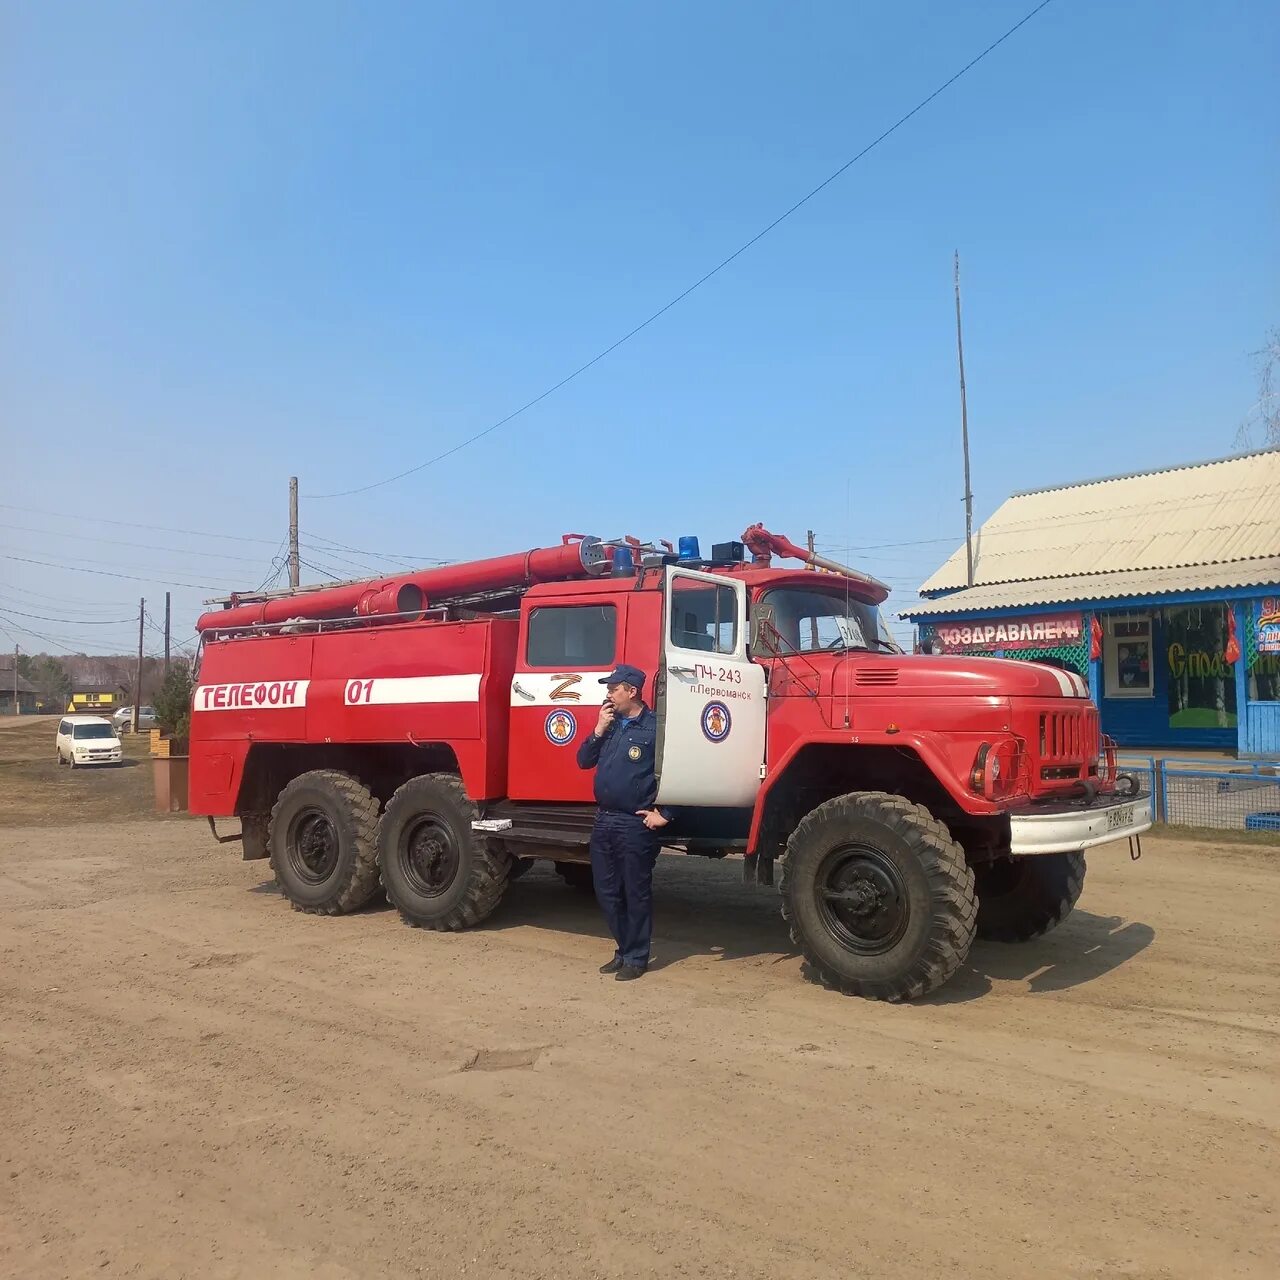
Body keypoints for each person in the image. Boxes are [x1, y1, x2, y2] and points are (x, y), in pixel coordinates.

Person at [576, 663, 672, 981]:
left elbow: (678, 772)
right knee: (606, 891)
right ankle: (623, 949)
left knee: (635, 892)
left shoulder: (656, 727)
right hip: (604, 820)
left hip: (634, 823)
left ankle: (636, 956)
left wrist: (667, 814)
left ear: (632, 691)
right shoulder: (611, 724)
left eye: (613, 688)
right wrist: (598, 729)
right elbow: (583, 761)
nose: (608, 694)